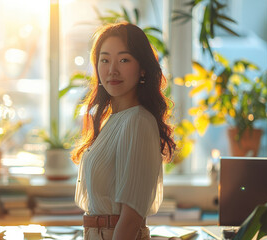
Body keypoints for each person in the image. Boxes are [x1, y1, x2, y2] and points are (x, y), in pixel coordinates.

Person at [71, 22, 176, 240]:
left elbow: (130, 220)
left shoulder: (137, 121)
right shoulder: (113, 120)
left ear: (143, 68)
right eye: (105, 60)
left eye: (124, 60)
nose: (112, 70)